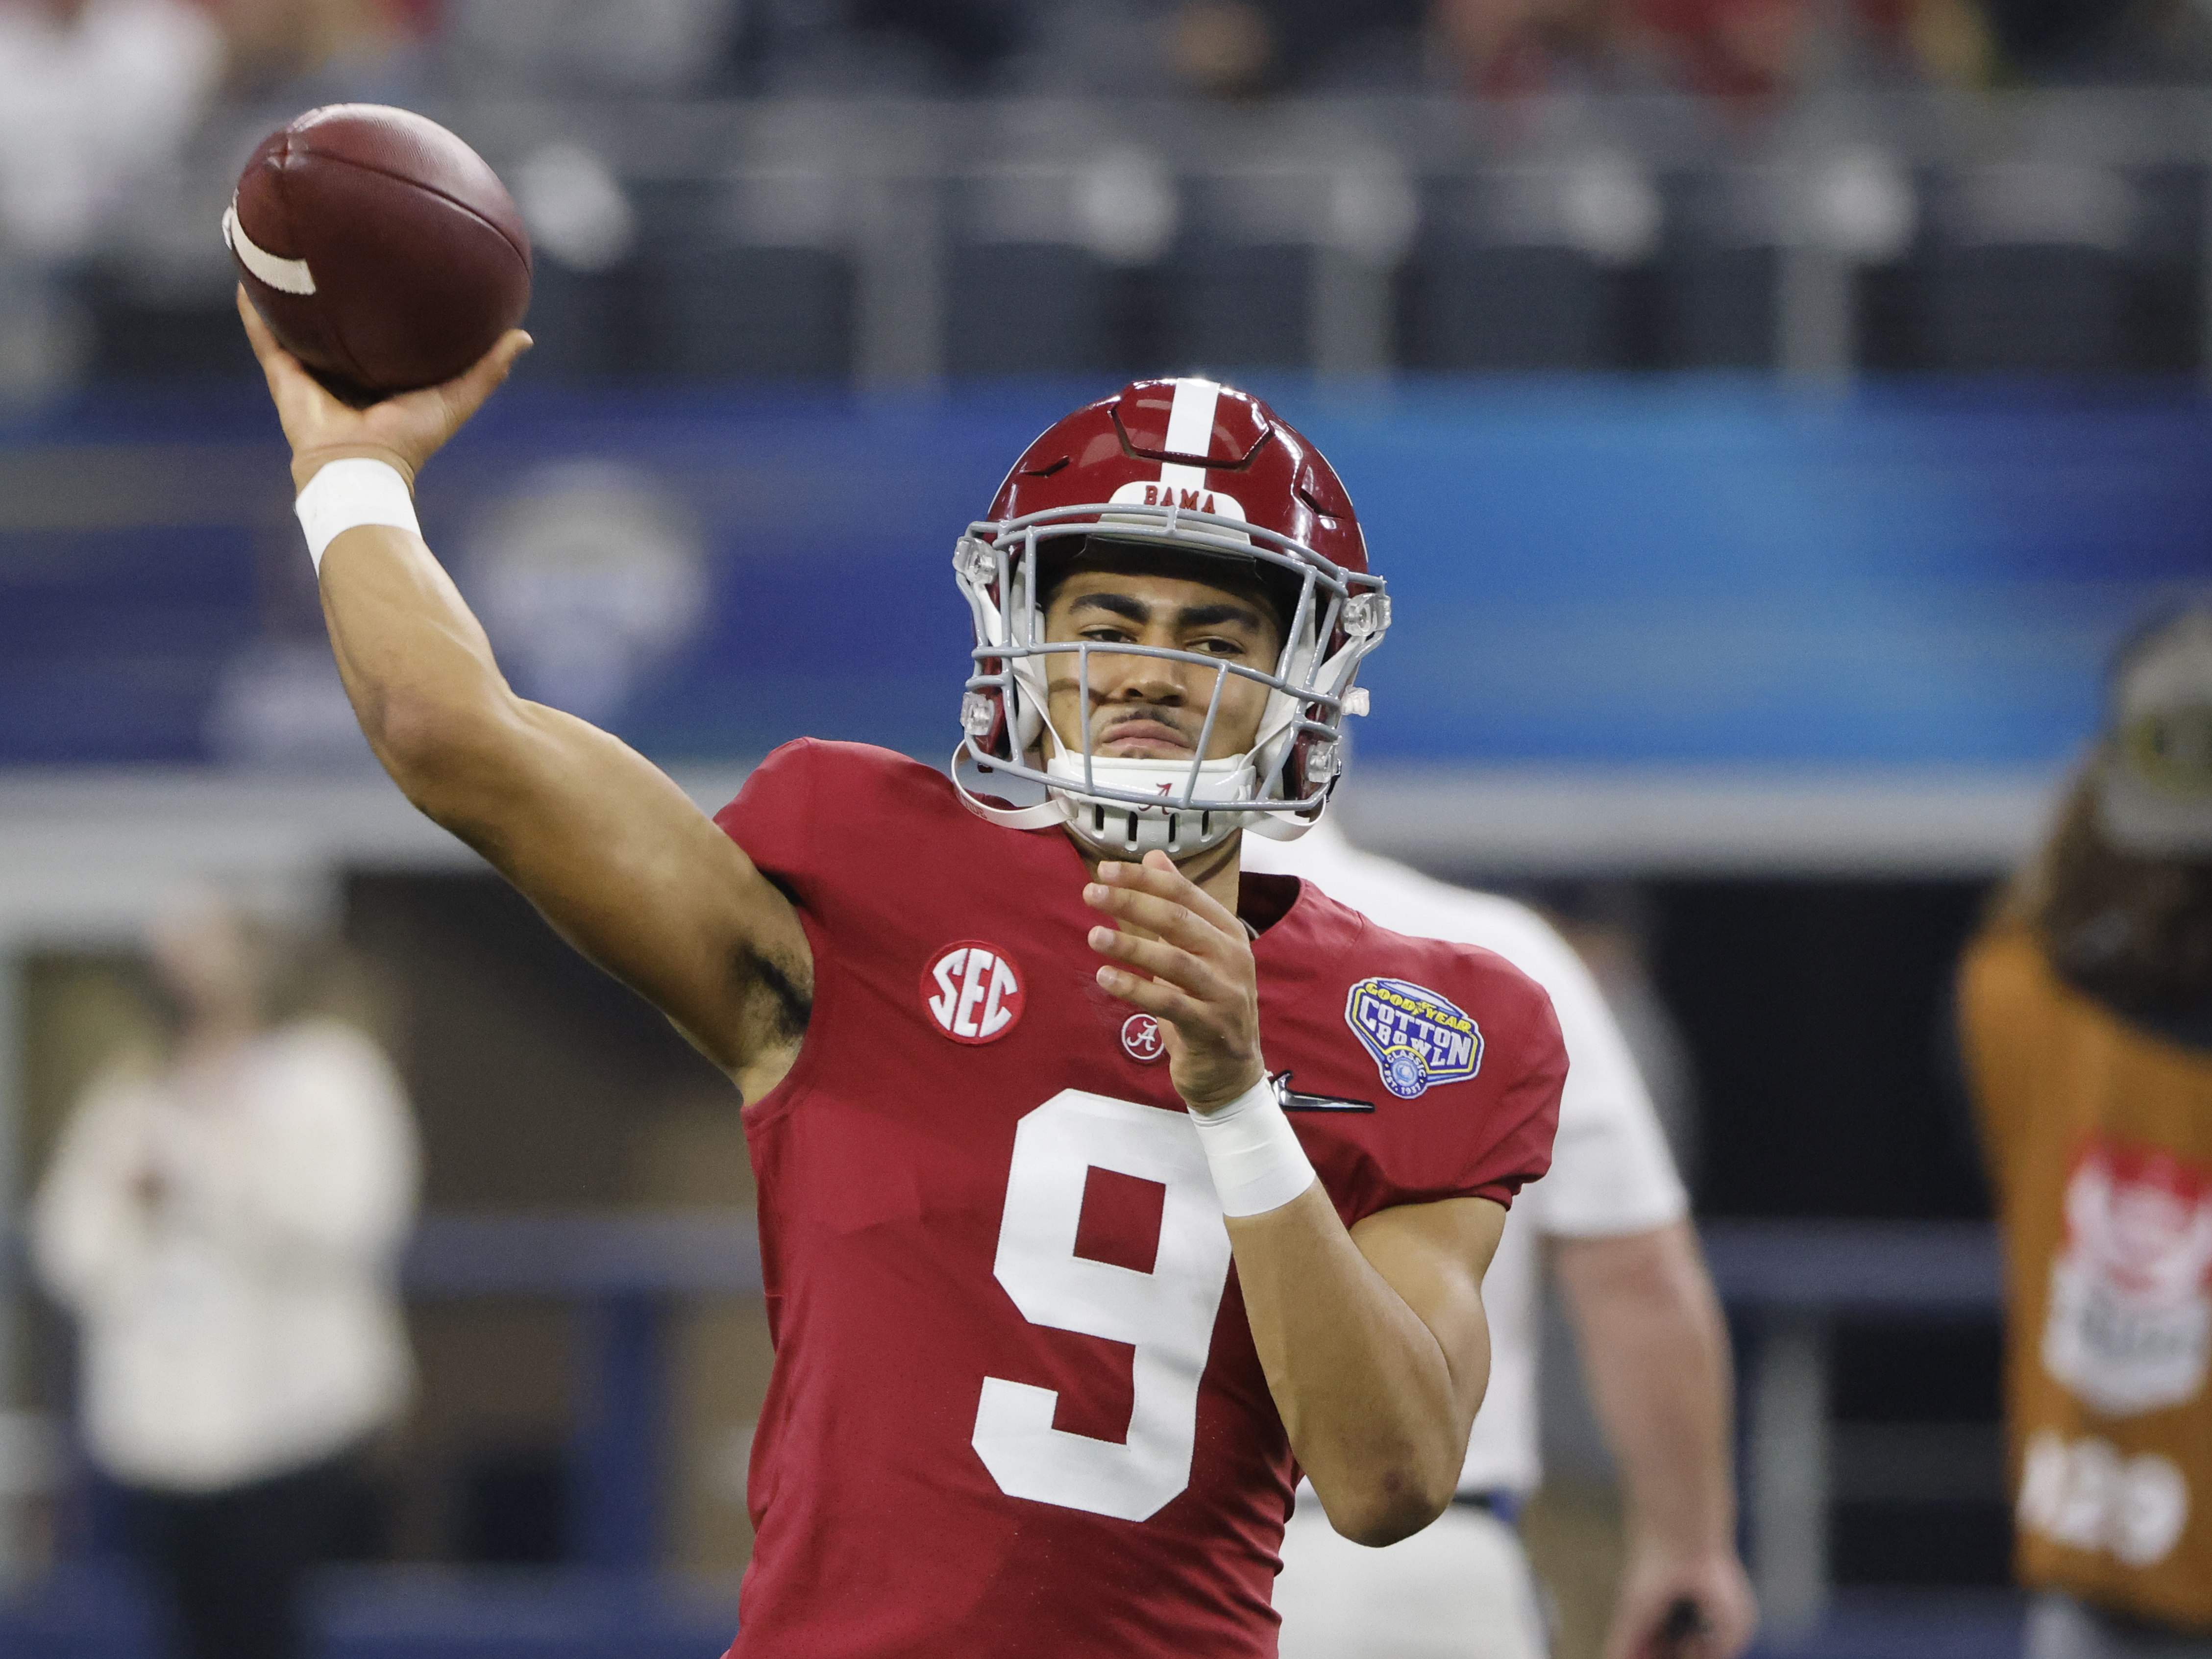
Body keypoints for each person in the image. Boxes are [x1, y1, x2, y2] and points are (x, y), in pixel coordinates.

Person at [235, 292, 1568, 1656]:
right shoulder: (868, 884)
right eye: (1106, 618)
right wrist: (350, 472)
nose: (1150, 673)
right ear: (1023, 643)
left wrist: (1236, 1100)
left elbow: (1388, 1478)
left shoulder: (1426, 1023)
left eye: (1213, 638)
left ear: (1304, 676)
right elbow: (453, 733)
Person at [1247, 824, 1756, 1659]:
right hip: (1432, 1563)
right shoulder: (1494, 951)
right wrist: (1687, 1546)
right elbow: (1638, 1280)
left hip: (1124, 1551)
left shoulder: (1046, 941)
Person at [30, 895, 418, 1659]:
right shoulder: (132, 1092)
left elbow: (354, 1220)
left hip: (296, 1424)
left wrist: (211, 1178)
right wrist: (137, 1207)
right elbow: (69, 1246)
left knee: (272, 1624)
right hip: (160, 1434)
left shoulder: (326, 1077)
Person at [1958, 600, 2212, 1659]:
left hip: (2097, 1583)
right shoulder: (2030, 1010)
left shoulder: (2016, 1006)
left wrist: (2123, 769)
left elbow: (2043, 908)